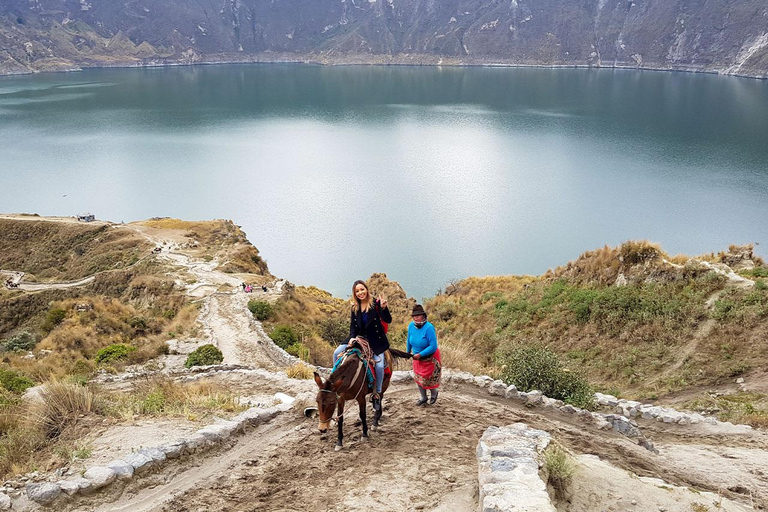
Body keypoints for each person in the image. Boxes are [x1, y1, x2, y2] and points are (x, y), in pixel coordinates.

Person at [349, 279, 391, 411]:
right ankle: (334, 386)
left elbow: (388, 319)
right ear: (354, 293)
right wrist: (351, 339)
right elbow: (353, 328)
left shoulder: (375, 304)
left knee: (379, 366)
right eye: (357, 291)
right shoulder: (354, 308)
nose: (360, 292)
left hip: (375, 341)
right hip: (359, 338)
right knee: (336, 354)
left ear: (366, 289)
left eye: (362, 289)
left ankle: (376, 394)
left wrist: (384, 308)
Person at [406, 304, 441, 406]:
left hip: (429, 357)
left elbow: (433, 346)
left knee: (427, 378)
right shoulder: (411, 326)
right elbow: (409, 339)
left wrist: (421, 355)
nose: (416, 318)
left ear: (423, 316)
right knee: (418, 378)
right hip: (416, 357)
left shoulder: (429, 328)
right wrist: (408, 352)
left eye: (418, 315)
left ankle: (434, 392)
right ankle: (423, 397)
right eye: (414, 316)